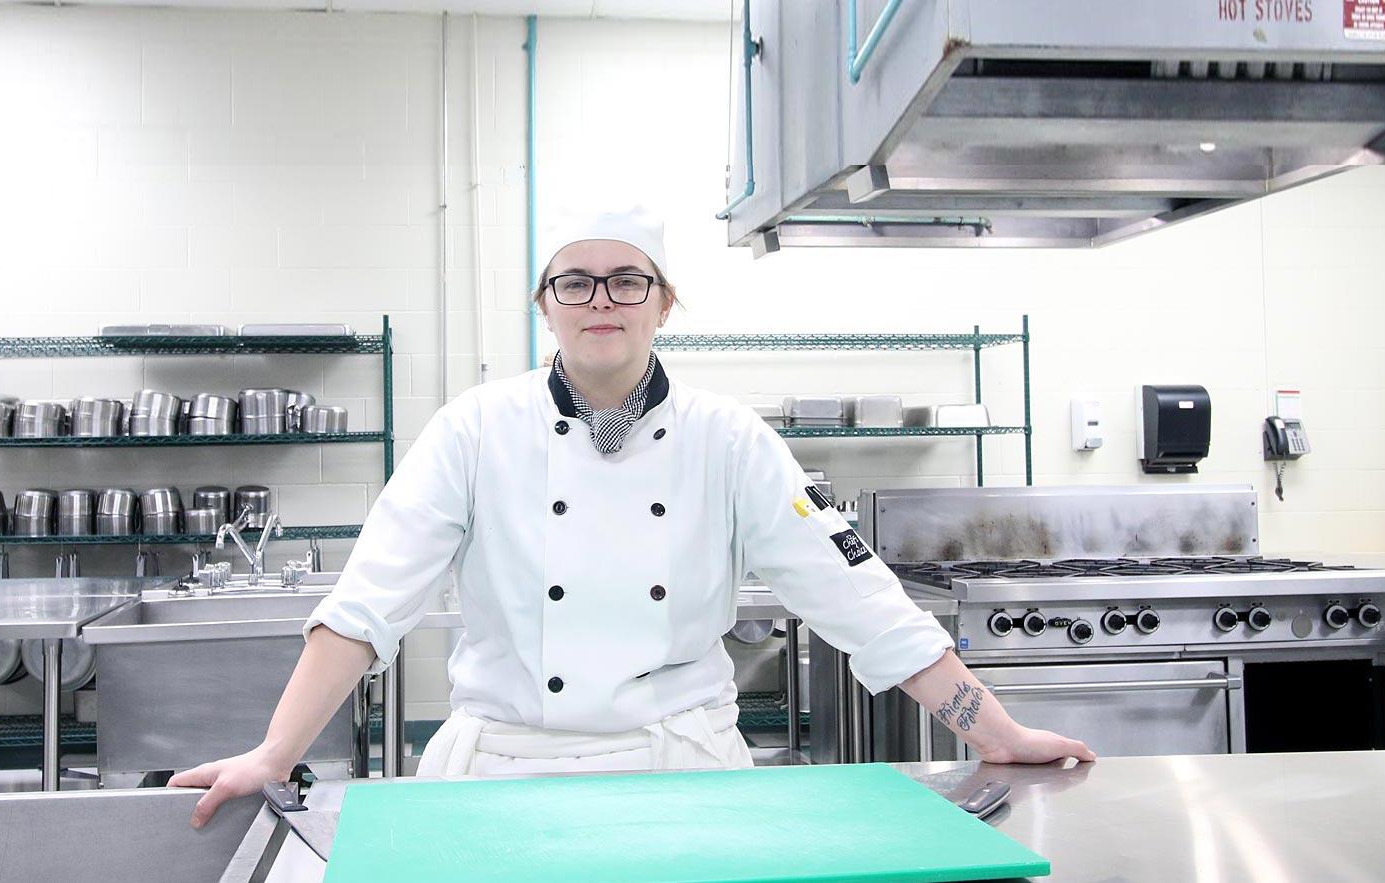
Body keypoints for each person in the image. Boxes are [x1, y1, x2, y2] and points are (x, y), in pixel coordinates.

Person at [174, 207, 1093, 827]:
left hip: (684, 767)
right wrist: (273, 750)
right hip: (503, 772)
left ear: (664, 301)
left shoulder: (730, 439)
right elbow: (367, 604)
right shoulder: (473, 428)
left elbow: (858, 596)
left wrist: (997, 735)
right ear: (547, 304)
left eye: (626, 280)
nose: (600, 299)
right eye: (575, 282)